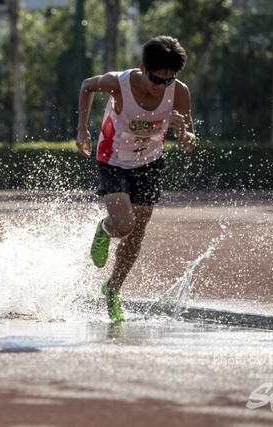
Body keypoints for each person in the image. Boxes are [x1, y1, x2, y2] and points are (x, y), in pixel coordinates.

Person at [76, 36, 197, 322]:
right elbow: (86, 85)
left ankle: (113, 290)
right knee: (124, 225)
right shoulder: (118, 83)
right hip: (113, 160)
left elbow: (189, 137)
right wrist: (82, 129)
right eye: (155, 79)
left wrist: (184, 135)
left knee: (137, 230)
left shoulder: (179, 92)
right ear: (143, 68)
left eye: (168, 80)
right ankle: (104, 229)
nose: (160, 86)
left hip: (150, 163)